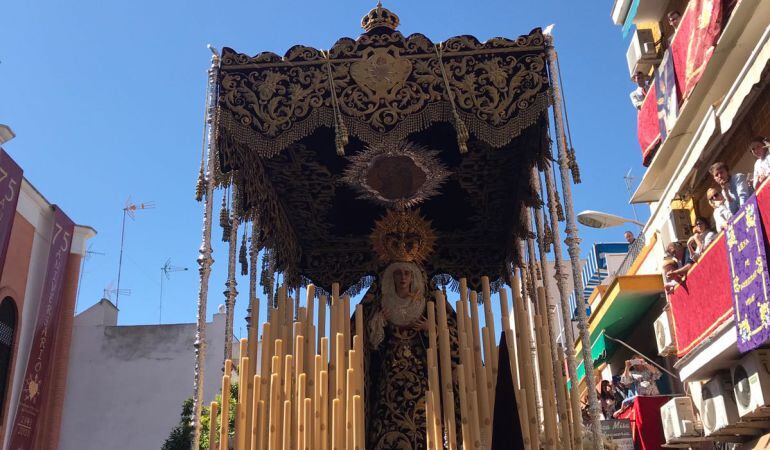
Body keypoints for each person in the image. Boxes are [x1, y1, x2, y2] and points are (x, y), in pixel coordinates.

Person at [357, 209, 461, 450]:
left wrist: (431, 330)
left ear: (414, 277)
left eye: (407, 273)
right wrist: (377, 325)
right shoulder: (380, 304)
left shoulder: (430, 300)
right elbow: (362, 344)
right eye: (398, 274)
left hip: (422, 377)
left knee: (425, 428)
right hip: (388, 376)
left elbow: (454, 338)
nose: (403, 278)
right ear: (391, 278)